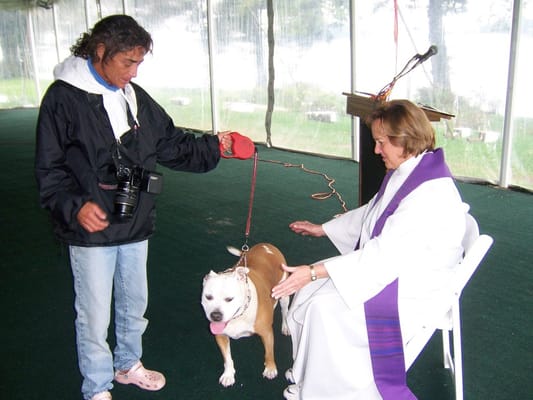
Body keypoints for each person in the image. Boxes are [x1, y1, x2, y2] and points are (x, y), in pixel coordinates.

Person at [34, 15, 232, 400]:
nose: (134, 71)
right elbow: (49, 168)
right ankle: (96, 386)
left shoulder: (132, 95)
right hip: (91, 230)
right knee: (93, 315)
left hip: (134, 220)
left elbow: (171, 143)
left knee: (133, 303)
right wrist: (75, 207)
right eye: (128, 61)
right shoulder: (62, 98)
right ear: (100, 51)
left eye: (139, 62)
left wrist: (215, 145)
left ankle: (128, 365)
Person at [272, 99, 467, 400]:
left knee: (322, 309)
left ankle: (322, 390)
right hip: (397, 268)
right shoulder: (412, 170)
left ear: (404, 140)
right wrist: (324, 228)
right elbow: (374, 212)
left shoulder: (428, 194)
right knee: (309, 294)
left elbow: (384, 257)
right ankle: (307, 372)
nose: (376, 151)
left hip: (413, 287)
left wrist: (312, 272)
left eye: (380, 142)